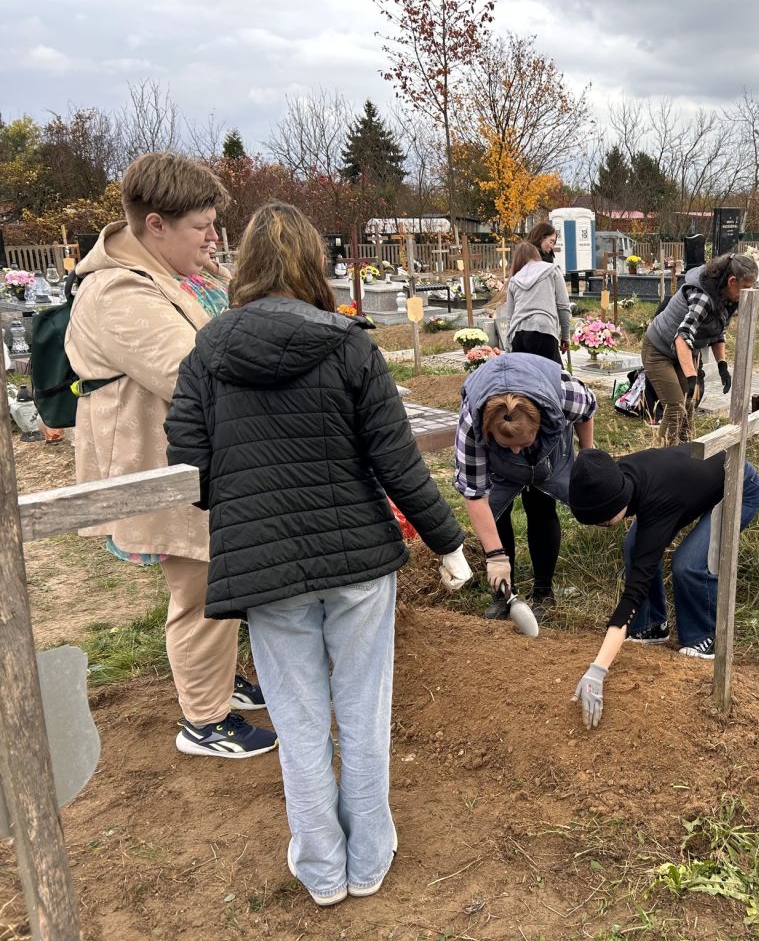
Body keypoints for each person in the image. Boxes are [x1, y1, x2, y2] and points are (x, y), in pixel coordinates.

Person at [166, 202, 471, 906]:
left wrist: (250, 500)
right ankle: (368, 858)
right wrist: (450, 544)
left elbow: (191, 466)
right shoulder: (350, 345)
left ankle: (323, 870)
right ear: (313, 262)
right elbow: (398, 464)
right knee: (363, 713)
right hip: (357, 559)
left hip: (266, 566)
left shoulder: (208, 350)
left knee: (299, 722)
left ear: (244, 264)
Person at [64, 152, 276, 759]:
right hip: (158, 462)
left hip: (195, 457)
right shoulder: (119, 293)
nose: (212, 239)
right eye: (200, 227)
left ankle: (215, 682)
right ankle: (204, 720)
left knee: (218, 575)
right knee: (202, 587)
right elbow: (195, 374)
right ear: (155, 224)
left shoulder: (172, 273)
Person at [567, 446, 759, 729]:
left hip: (736, 482)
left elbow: (635, 590)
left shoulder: (658, 501)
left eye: (603, 521)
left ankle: (703, 638)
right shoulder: (617, 477)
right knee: (634, 547)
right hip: (690, 485)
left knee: (688, 565)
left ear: (616, 501)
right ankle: (651, 626)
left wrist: (598, 669)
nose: (600, 526)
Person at [456, 353, 597, 620]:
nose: (516, 451)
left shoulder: (564, 393)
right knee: (497, 513)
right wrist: (495, 557)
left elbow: (588, 410)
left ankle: (543, 591)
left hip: (548, 453)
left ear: (539, 421)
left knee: (541, 504)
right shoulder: (472, 424)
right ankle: (503, 593)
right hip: (498, 465)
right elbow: (474, 493)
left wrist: (588, 455)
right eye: (508, 445)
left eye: (522, 443)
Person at [640, 253, 759, 445]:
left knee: (689, 403)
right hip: (658, 349)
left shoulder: (728, 298)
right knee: (675, 406)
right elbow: (682, 337)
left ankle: (686, 451)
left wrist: (722, 365)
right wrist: (691, 377)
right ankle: (663, 454)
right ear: (732, 281)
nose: (749, 292)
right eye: (746, 287)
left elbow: (718, 331)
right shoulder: (702, 297)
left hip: (683, 352)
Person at [501, 241, 572, 364]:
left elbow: (510, 317)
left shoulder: (514, 280)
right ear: (536, 255)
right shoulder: (552, 271)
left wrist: (508, 348)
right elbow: (563, 306)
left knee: (525, 375)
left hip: (518, 333)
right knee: (551, 374)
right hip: (544, 329)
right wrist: (565, 336)